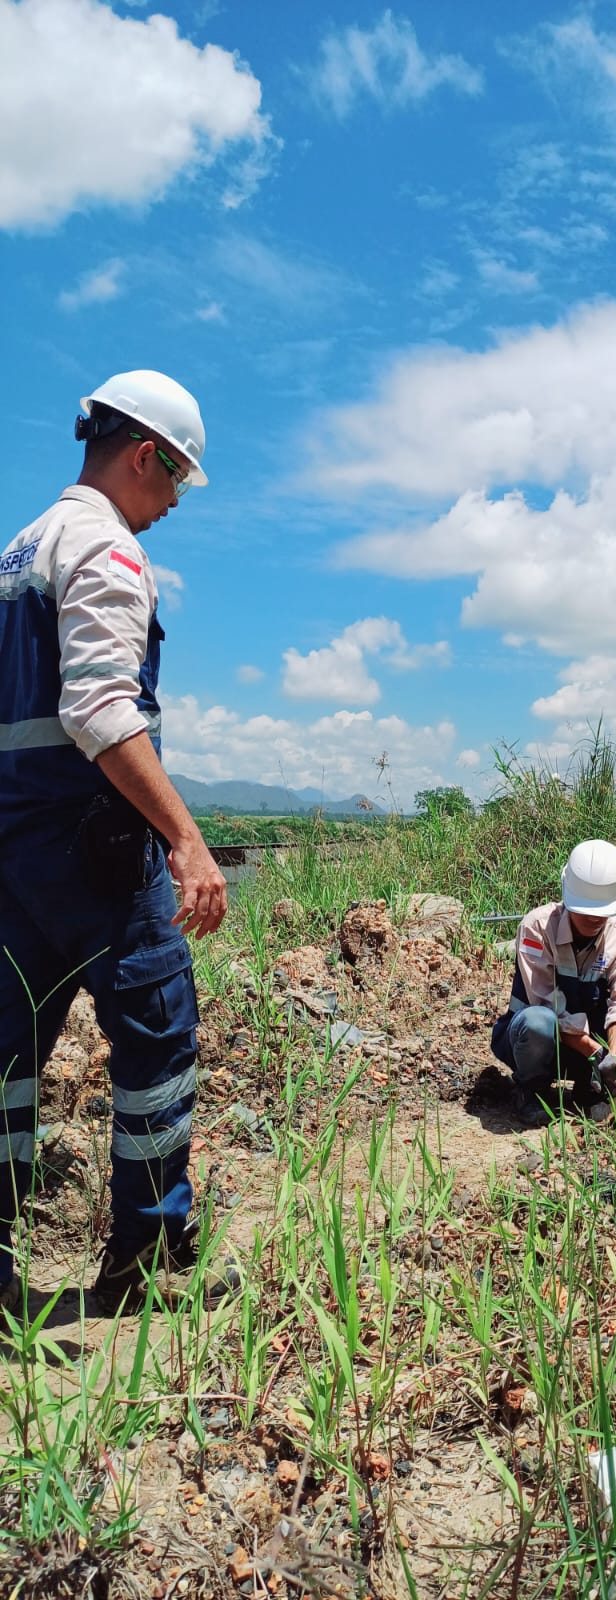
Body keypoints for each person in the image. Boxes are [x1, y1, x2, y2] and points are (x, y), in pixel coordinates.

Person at [0, 371, 228, 1315]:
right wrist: (186, 837)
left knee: (10, 1054)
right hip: (95, 849)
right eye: (176, 479)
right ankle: (147, 1255)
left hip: (16, 854)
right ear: (144, 456)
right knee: (157, 1033)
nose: (174, 502)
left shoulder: (19, 550)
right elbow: (98, 708)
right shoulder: (106, 549)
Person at [490, 839, 616, 1127]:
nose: (594, 917)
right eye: (586, 909)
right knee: (538, 1021)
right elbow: (547, 1006)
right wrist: (596, 1053)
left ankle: (590, 1085)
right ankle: (532, 1089)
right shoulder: (537, 928)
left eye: (601, 911)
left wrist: (615, 1058)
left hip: (587, 1047)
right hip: (533, 1046)